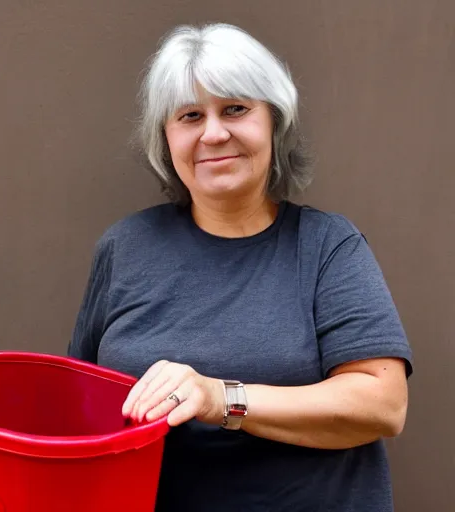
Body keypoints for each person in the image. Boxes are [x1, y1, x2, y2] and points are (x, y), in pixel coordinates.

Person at [68, 23, 413, 512]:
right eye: (190, 116)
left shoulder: (327, 246)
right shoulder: (125, 247)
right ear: (166, 140)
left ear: (274, 123)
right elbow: (78, 405)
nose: (213, 132)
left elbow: (383, 404)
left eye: (235, 108)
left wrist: (220, 399)